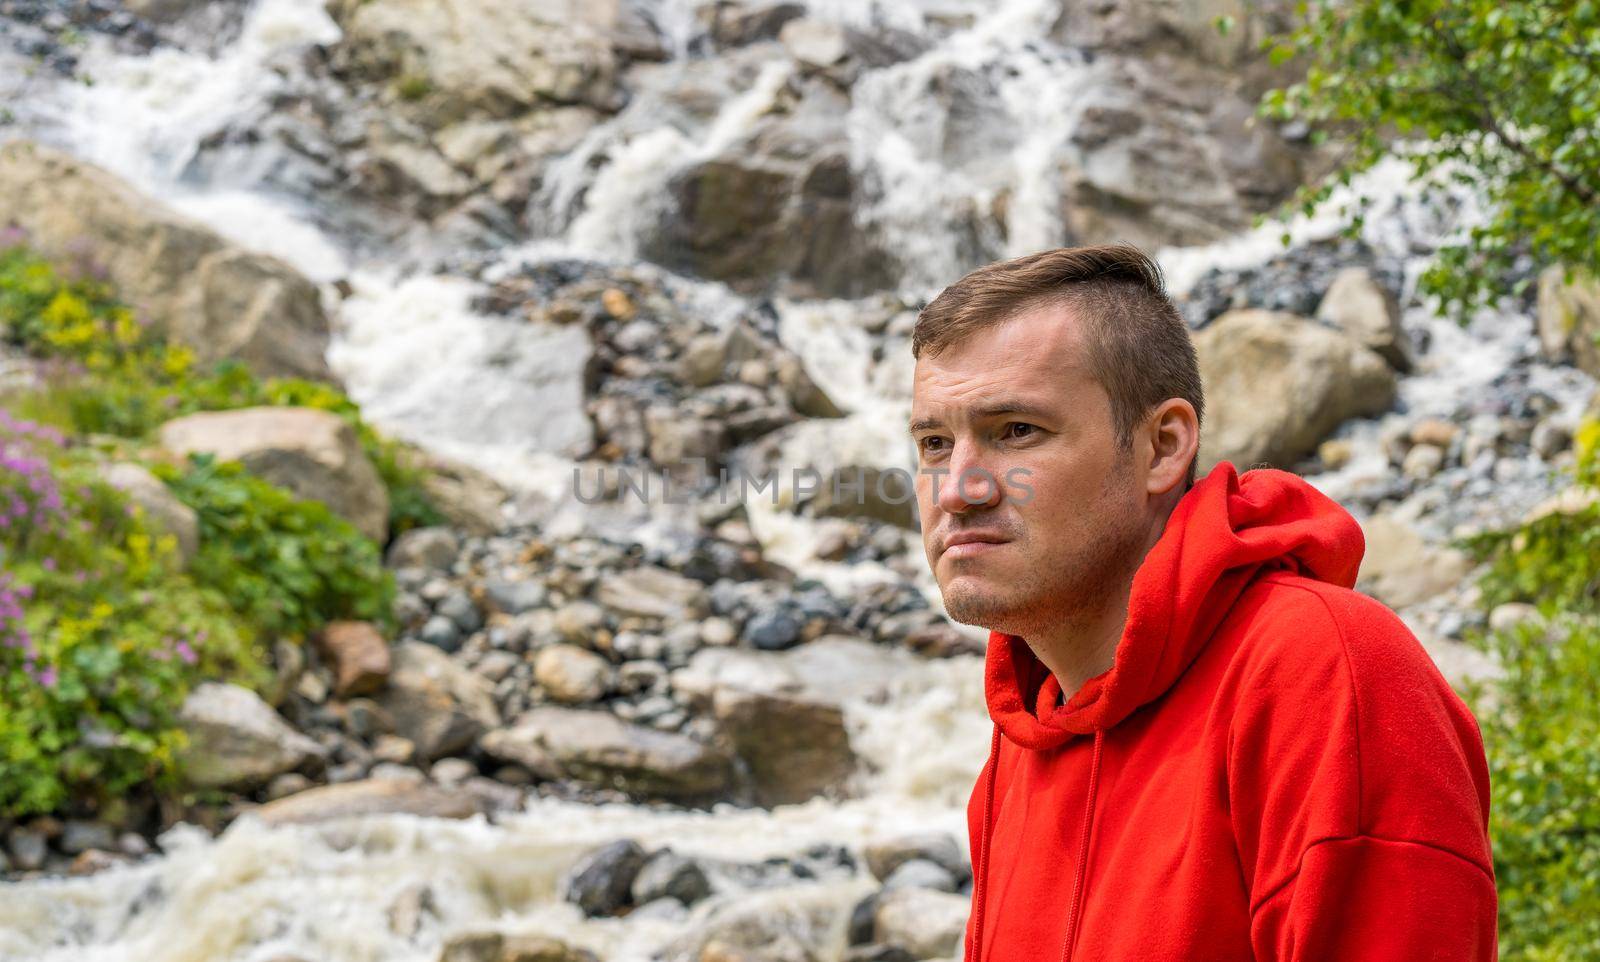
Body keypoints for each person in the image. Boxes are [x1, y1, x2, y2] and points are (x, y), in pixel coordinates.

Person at [908, 244, 1497, 962]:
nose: (959, 489)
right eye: (935, 443)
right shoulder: (1026, 734)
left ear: (1163, 446)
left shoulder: (1325, 675)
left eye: (1016, 432)